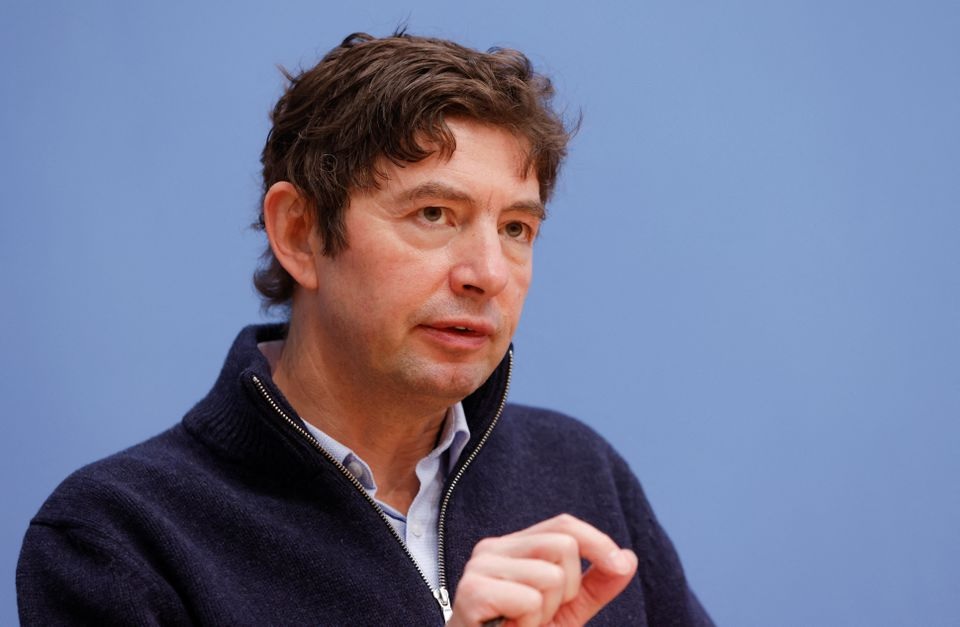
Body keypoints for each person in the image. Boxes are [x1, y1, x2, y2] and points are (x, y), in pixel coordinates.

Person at [17, 32, 713, 626]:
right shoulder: (117, 537)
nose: (488, 273)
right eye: (434, 214)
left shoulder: (581, 471)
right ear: (299, 232)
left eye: (516, 227)